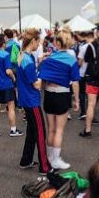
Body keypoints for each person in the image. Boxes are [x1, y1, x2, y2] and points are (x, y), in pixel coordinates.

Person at [38, 29, 80, 170]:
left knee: (51, 129)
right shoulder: (71, 60)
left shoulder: (48, 59)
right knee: (59, 131)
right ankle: (55, 160)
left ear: (57, 42)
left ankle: (50, 158)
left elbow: (42, 80)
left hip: (49, 94)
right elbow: (75, 82)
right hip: (62, 95)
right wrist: (77, 100)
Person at [16, 29, 51, 172]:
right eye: (39, 42)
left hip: (26, 99)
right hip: (31, 101)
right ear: (33, 41)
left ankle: (26, 160)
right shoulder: (27, 60)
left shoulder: (23, 55)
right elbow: (36, 84)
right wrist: (45, 74)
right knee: (40, 133)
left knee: (32, 131)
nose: (39, 45)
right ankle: (45, 166)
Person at [0, 34, 21, 138]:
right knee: (11, 107)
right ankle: (13, 130)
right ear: (3, 43)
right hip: (7, 85)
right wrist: (13, 78)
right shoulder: (6, 54)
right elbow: (8, 71)